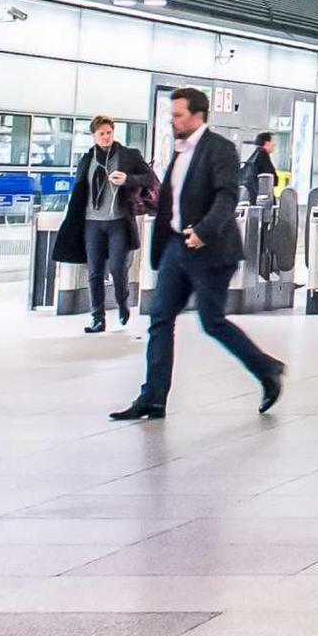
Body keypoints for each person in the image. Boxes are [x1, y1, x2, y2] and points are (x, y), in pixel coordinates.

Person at [116, 89, 287, 421]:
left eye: (178, 114)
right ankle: (152, 398)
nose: (172, 120)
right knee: (160, 318)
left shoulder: (219, 149)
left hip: (211, 250)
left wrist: (204, 231)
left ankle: (267, 369)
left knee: (212, 321)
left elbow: (227, 197)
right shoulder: (179, 152)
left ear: (197, 116)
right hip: (175, 247)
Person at [58, 114, 145, 332]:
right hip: (92, 222)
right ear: (94, 136)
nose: (106, 137)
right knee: (94, 271)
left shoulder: (128, 156)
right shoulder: (88, 159)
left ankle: (123, 302)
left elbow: (148, 178)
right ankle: (98, 318)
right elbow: (79, 190)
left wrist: (128, 179)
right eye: (101, 134)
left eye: (109, 133)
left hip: (118, 221)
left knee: (117, 267)